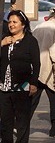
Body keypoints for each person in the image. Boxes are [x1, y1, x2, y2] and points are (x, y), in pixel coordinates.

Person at [0, 10, 40, 143]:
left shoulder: (30, 41)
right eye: (10, 22)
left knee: (22, 122)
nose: (11, 25)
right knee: (6, 124)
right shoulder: (4, 39)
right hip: (4, 88)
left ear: (23, 25)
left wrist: (33, 83)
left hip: (22, 87)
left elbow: (36, 63)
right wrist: (2, 44)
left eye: (15, 22)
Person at [31, 6, 55, 139]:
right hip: (50, 71)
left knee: (31, 100)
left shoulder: (39, 27)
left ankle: (20, 125)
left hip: (35, 69)